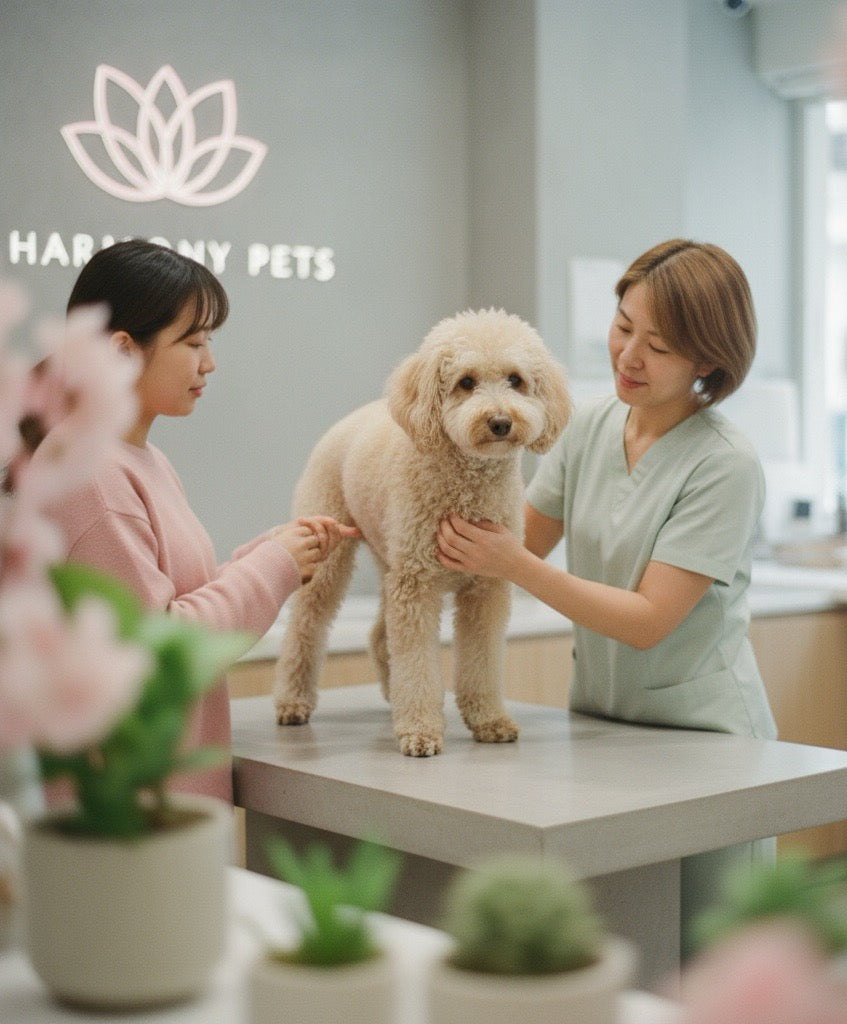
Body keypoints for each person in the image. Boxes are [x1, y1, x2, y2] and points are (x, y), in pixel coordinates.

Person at [436, 238, 777, 950]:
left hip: (706, 743)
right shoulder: (590, 425)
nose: (628, 355)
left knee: (708, 954)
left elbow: (650, 620)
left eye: (659, 345)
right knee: (626, 945)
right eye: (624, 326)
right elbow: (518, 540)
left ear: (709, 360)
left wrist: (509, 563)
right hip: (603, 726)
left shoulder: (724, 464)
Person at [36, 238, 352, 802]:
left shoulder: (138, 460)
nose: (209, 362)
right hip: (127, 817)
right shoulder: (91, 474)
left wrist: (269, 555)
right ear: (122, 350)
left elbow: (174, 598)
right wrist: (274, 566)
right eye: (194, 342)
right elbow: (157, 650)